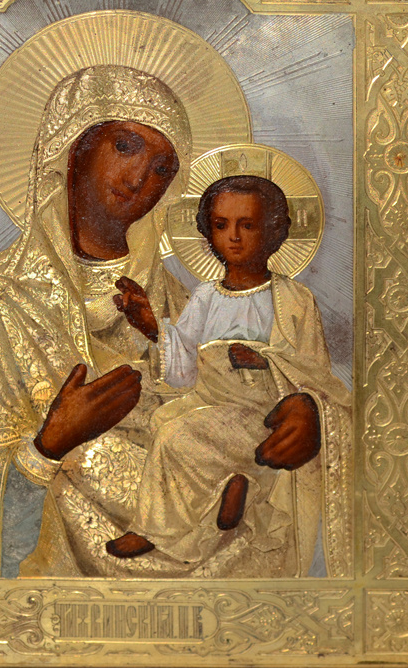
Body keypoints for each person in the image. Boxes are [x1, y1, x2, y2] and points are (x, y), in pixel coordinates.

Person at [0, 65, 346, 579]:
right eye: (124, 146)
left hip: (211, 602)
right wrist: (48, 447)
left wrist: (311, 416)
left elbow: (253, 398)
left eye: (162, 169)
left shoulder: (183, 306)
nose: (139, 179)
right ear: (74, 148)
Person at [104, 175, 350, 566]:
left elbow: (315, 373)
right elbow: (184, 365)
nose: (233, 237)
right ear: (209, 232)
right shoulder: (206, 297)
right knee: (168, 428)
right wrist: (151, 325)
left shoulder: (295, 299)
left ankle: (193, 513)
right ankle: (223, 494)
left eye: (247, 225)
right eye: (221, 225)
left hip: (262, 411)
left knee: (181, 437)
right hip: (211, 403)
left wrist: (266, 360)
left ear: (272, 232)